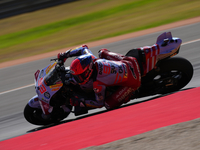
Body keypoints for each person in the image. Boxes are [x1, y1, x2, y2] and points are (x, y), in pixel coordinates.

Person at [57, 44, 159, 110]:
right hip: (129, 61)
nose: (78, 79)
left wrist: (79, 101)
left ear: (88, 70)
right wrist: (66, 55)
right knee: (102, 52)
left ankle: (130, 94)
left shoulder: (97, 83)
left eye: (80, 76)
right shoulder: (91, 59)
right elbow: (83, 48)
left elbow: (98, 103)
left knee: (108, 104)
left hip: (133, 80)